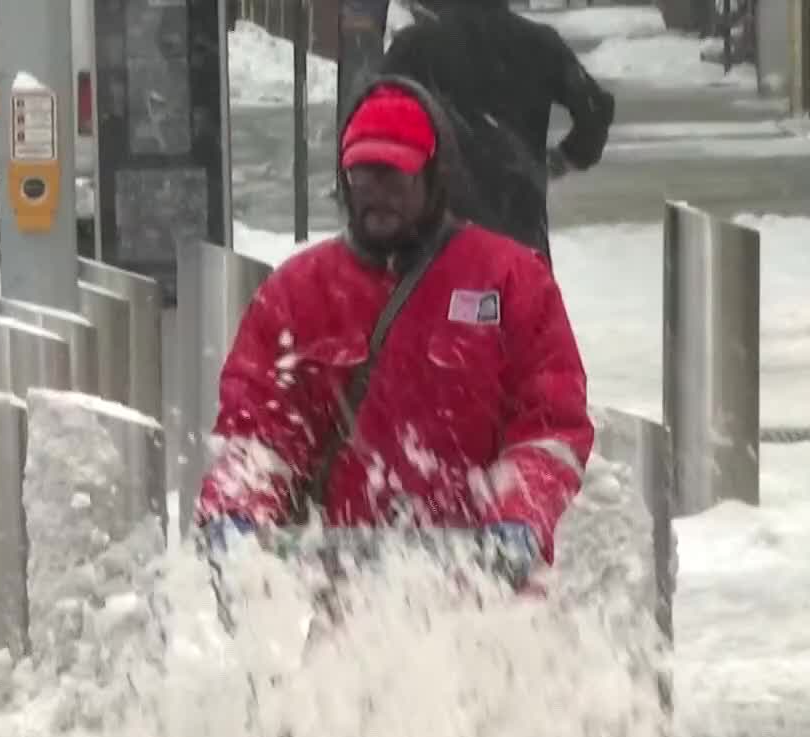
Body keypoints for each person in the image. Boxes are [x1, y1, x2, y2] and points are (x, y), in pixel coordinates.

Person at [194, 76, 594, 595]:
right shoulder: (296, 295)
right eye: (364, 176)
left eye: (396, 176)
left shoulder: (510, 280)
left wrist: (520, 514)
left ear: (435, 177)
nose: (377, 193)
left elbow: (550, 424)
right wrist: (236, 507)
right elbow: (260, 429)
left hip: (491, 593)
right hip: (352, 595)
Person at [378, 0, 616, 262]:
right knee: (522, 298)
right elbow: (595, 110)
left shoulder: (414, 46)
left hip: (440, 234)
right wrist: (569, 156)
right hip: (521, 228)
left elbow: (376, 121)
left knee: (442, 298)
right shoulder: (538, 42)